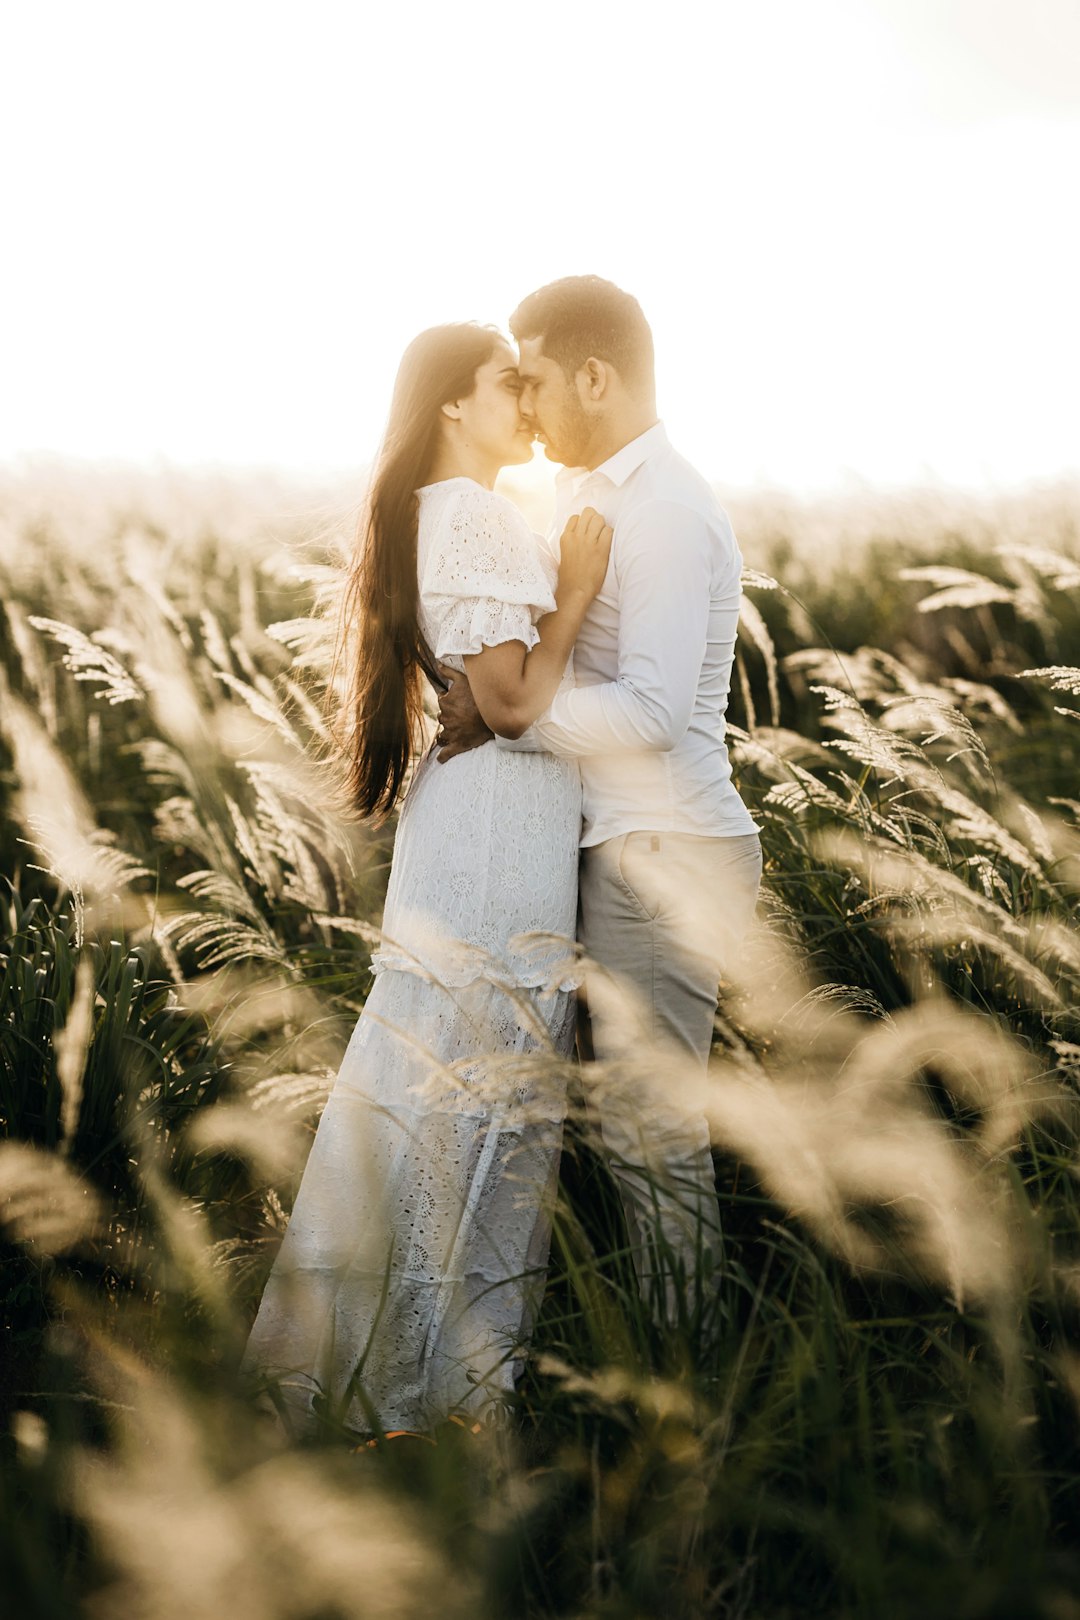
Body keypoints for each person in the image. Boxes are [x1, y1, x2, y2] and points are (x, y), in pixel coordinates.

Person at [239, 321, 612, 1439]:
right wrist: (581, 589)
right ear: (453, 404)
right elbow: (506, 704)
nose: (524, 404)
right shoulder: (485, 520)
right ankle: (429, 1390)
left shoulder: (421, 517)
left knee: (423, 1088)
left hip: (464, 831)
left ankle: (359, 1372)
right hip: (498, 840)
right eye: (506, 383)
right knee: (476, 1093)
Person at [436, 276, 763, 1328]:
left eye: (534, 382)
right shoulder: (609, 499)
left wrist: (513, 713)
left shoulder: (663, 510)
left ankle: (690, 1384)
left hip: (668, 852)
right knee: (626, 1132)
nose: (525, 408)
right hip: (637, 845)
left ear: (594, 375)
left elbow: (658, 711)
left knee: (651, 1137)